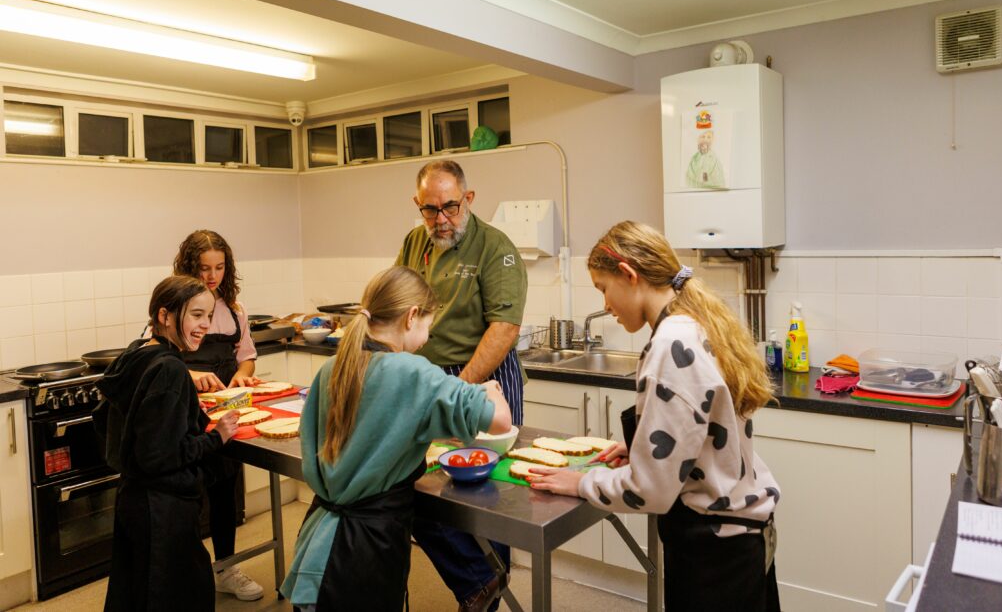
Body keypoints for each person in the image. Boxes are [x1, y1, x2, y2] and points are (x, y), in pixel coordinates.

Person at [528, 221, 782, 612]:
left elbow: (650, 490)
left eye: (603, 288)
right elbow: (703, 428)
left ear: (628, 274)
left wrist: (581, 482)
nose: (606, 305)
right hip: (742, 536)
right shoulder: (694, 322)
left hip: (717, 551)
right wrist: (643, 448)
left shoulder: (669, 344)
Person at [280, 266, 512, 611]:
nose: (426, 338)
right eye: (428, 327)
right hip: (366, 552)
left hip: (318, 541)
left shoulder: (333, 368)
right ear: (411, 316)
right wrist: (490, 390)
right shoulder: (411, 371)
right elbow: (500, 421)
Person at [395, 159, 527, 612]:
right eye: (430, 209)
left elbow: (504, 329)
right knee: (424, 485)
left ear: (468, 199)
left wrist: (460, 389)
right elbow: (398, 305)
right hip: (429, 375)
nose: (441, 219)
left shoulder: (495, 247)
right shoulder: (415, 241)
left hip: (483, 376)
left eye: (450, 207)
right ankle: (478, 583)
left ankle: (488, 592)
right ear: (418, 204)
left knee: (488, 495)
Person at [95, 275, 240, 612]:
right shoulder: (170, 369)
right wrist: (216, 436)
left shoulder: (135, 353)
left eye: (208, 316)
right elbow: (161, 456)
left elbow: (106, 421)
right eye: (196, 315)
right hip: (163, 508)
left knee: (135, 596)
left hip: (133, 499)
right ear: (165, 315)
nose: (205, 325)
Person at [171, 229, 263, 600]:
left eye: (219, 267)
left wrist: (242, 375)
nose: (212, 276)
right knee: (190, 495)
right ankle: (186, 574)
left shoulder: (234, 309)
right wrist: (192, 375)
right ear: (189, 267)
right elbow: (157, 359)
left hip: (226, 411)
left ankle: (226, 568)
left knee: (225, 491)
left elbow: (247, 357)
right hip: (188, 415)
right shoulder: (175, 308)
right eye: (204, 268)